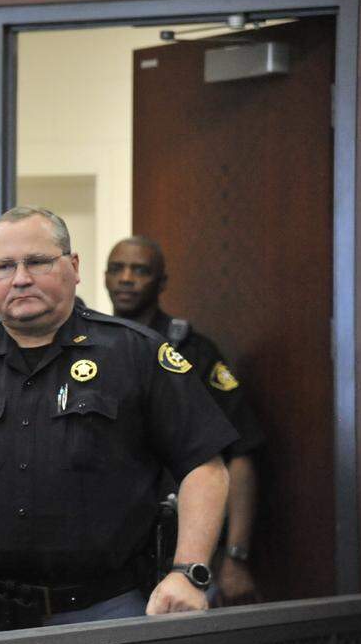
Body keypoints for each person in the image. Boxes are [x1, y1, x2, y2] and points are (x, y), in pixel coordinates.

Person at [0, 206, 237, 630]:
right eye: (4, 265)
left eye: (38, 261)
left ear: (74, 266)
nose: (20, 278)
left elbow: (204, 466)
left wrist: (188, 571)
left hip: (105, 611)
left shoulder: (136, 353)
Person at [105, 236, 265, 605]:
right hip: (115, 559)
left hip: (185, 552)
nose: (126, 278)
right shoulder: (92, 350)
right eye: (117, 269)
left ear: (161, 282)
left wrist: (237, 557)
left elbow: (240, 456)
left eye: (140, 270)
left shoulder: (193, 352)